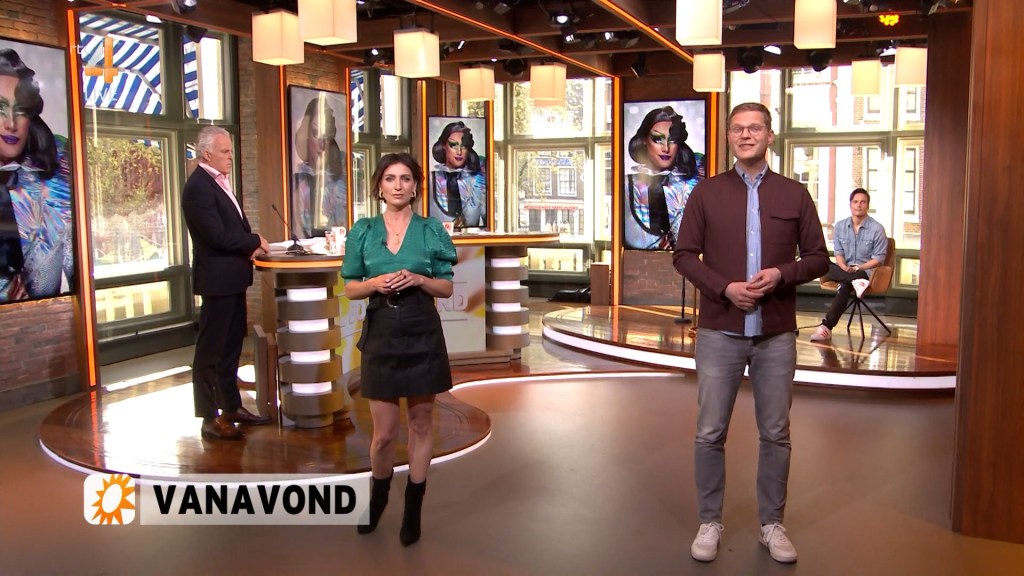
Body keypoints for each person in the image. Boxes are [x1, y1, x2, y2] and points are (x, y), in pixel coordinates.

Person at [673, 102, 829, 564]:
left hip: (775, 334)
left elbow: (819, 258)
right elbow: (684, 255)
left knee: (776, 433)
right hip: (719, 331)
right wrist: (725, 288)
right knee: (709, 433)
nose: (745, 135)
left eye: (754, 128)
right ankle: (709, 522)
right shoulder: (706, 193)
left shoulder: (795, 194)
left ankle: (771, 524)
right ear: (728, 137)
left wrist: (781, 274)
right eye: (737, 129)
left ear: (769, 135)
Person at [342, 152, 457, 546]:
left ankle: (412, 508)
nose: (397, 185)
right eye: (390, 178)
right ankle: (377, 501)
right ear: (379, 186)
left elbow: (446, 286)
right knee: (384, 435)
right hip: (382, 332)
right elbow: (350, 287)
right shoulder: (363, 230)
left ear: (415, 187)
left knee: (421, 425)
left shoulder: (430, 230)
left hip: (422, 328)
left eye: (405, 178)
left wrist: (419, 279)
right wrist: (374, 283)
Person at [182, 125, 271, 441]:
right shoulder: (198, 187)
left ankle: (231, 407)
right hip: (217, 282)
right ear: (207, 154)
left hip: (233, 280)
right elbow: (217, 236)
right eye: (225, 151)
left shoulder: (217, 183)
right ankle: (209, 418)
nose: (231, 156)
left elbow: (230, 229)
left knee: (231, 347)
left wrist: (249, 244)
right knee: (210, 351)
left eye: (230, 150)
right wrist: (253, 241)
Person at [0, 48, 73, 303]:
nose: (11, 123)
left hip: (42, 320)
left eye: (20, 110)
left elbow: (80, 271)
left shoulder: (56, 175)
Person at [809, 188, 888, 342]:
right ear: (850, 204)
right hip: (845, 269)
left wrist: (859, 268)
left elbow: (878, 259)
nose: (859, 205)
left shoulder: (877, 229)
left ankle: (826, 328)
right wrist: (843, 266)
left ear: (867, 205)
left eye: (863, 202)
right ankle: (855, 282)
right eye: (855, 202)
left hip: (865, 272)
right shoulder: (840, 226)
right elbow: (838, 252)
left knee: (845, 285)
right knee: (822, 263)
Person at [625, 105, 704, 250]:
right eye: (657, 139)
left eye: (672, 140)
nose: (666, 148)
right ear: (644, 139)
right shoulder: (626, 187)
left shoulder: (696, 179)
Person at [292, 96, 346, 238]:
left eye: (326, 136)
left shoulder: (344, 172)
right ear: (306, 136)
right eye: (316, 134)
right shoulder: (298, 182)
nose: (322, 145)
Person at [430, 121, 486, 228]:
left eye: (464, 146)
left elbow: (488, 224)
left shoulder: (478, 182)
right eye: (453, 145)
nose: (459, 152)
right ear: (443, 146)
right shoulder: (430, 180)